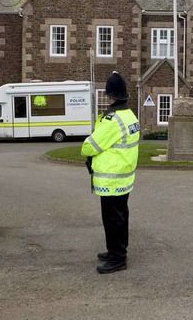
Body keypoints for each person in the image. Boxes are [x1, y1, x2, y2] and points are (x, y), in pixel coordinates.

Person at [81, 71, 140, 274]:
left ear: (111, 96)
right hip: (123, 178)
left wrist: (86, 148)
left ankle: (117, 258)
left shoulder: (113, 120)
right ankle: (116, 251)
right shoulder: (129, 116)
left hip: (111, 180)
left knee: (113, 219)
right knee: (120, 217)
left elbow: (90, 146)